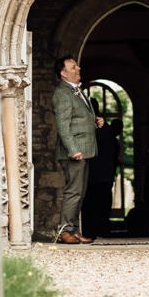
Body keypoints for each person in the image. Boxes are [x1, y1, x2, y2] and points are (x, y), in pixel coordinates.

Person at [52, 55, 104, 244]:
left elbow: (78, 118)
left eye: (77, 66)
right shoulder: (62, 93)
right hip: (75, 151)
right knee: (74, 192)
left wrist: (95, 120)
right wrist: (73, 149)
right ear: (63, 73)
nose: (78, 68)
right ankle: (64, 231)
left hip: (85, 149)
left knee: (79, 192)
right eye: (73, 67)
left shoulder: (75, 91)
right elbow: (63, 125)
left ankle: (73, 230)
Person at [81, 100, 119, 238]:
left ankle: (92, 230)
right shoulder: (106, 129)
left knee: (93, 202)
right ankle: (98, 229)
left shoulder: (101, 128)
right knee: (100, 202)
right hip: (101, 173)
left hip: (95, 173)